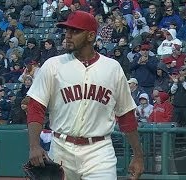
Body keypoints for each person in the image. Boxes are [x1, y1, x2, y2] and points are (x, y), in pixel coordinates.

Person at [26, 11, 144, 180]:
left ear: (90, 36)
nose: (68, 35)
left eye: (75, 31)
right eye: (67, 31)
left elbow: (126, 115)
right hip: (61, 148)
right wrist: (34, 145)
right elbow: (35, 107)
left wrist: (138, 155)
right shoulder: (53, 65)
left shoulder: (112, 68)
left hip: (99, 150)